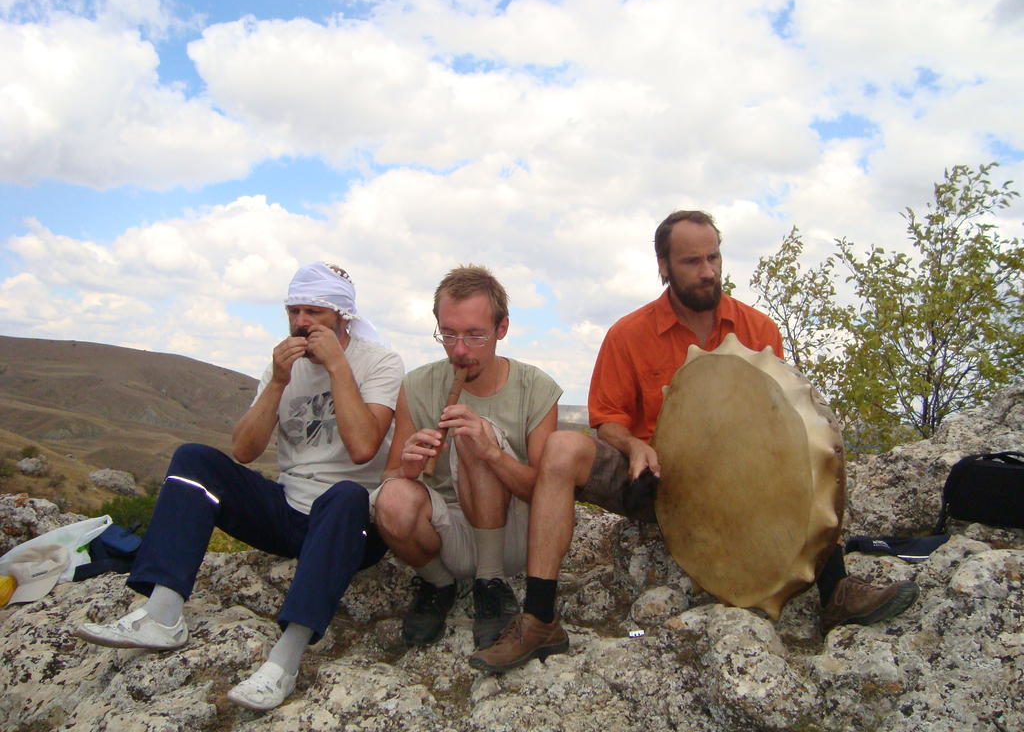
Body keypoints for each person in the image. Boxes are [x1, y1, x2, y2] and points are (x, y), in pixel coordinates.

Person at [469, 210, 919, 672]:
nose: (707, 271)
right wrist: (634, 446)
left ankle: (835, 591)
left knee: (817, 449)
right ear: (664, 266)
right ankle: (539, 619)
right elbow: (607, 422)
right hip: (645, 477)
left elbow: (782, 429)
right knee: (561, 448)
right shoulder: (628, 334)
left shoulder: (758, 331)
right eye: (691, 261)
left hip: (730, 482)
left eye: (713, 258)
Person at [76, 262, 404, 711]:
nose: (301, 323)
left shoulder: (380, 362)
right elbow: (244, 450)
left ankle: (284, 661)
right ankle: (163, 613)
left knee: (347, 495)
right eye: (293, 311)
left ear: (342, 317)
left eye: (314, 312)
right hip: (289, 510)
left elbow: (364, 447)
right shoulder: (282, 368)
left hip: (350, 526)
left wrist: (337, 367)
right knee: (194, 459)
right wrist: (278, 381)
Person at [372, 265, 561, 650]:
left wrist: (491, 452)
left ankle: (491, 583)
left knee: (476, 432)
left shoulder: (537, 388)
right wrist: (407, 469)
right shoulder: (416, 385)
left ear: (501, 329)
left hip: (513, 537)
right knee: (390, 497)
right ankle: (438, 584)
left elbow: (545, 495)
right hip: (448, 537)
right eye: (449, 334)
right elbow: (390, 476)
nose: (459, 350)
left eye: (475, 335)